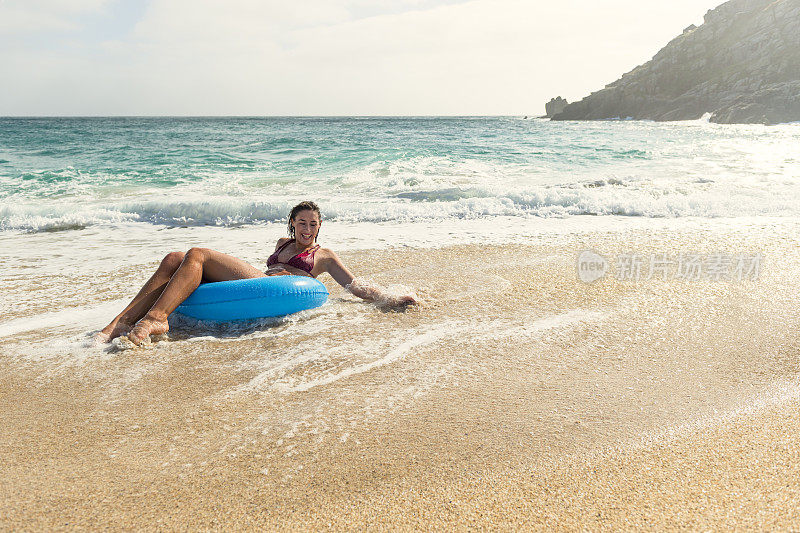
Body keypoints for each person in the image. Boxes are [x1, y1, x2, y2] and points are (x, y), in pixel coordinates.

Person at [97, 201, 417, 346]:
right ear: (292, 224)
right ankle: (119, 323)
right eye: (301, 223)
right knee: (174, 258)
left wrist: (388, 298)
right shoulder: (283, 242)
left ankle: (155, 319)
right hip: (256, 285)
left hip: (276, 290)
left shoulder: (325, 256)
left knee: (197, 254)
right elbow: (268, 268)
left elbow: (354, 284)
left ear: (320, 227)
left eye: (313, 224)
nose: (307, 229)